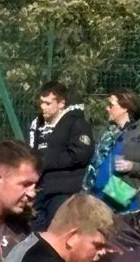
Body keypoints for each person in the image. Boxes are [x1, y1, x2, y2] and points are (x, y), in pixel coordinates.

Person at [27, 81, 94, 229]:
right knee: (33, 229)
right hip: (40, 189)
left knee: (58, 230)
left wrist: (45, 161)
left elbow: (81, 154)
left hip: (63, 190)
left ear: (61, 103)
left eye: (48, 103)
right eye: (42, 103)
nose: (43, 107)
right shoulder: (37, 125)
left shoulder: (76, 123)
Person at [84, 89, 140, 210]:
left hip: (124, 198)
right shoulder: (109, 134)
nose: (107, 109)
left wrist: (132, 166)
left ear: (125, 107)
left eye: (111, 105)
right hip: (98, 197)